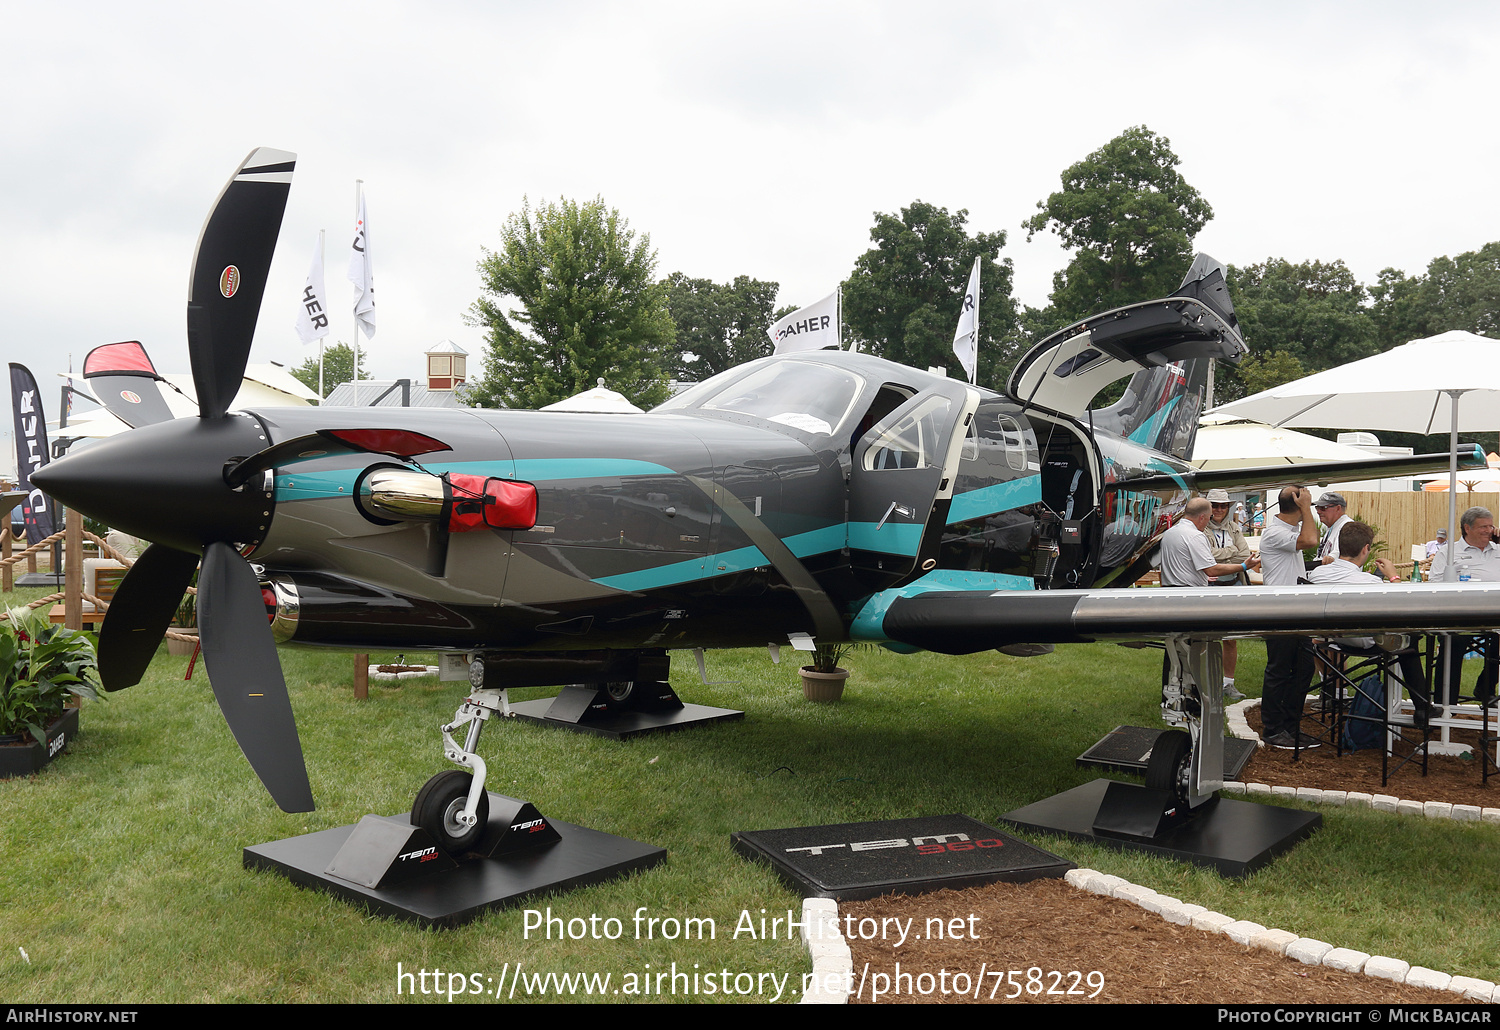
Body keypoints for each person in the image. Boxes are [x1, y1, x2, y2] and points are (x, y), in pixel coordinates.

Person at [1307, 520, 1433, 723]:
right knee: (1411, 638)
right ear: (1366, 549)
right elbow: (1402, 607)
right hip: (1363, 641)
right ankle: (1422, 706)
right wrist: (1393, 578)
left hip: (1328, 639)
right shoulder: (1371, 582)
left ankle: (1332, 691)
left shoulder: (1317, 574)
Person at [1158, 497, 1260, 698]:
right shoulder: (1195, 536)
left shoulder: (1170, 533)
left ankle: (1171, 692)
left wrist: (1201, 573)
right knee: (1193, 649)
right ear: (1203, 517)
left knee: (1175, 649)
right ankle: (1193, 695)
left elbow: (1184, 565)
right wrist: (1243, 567)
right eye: (1208, 518)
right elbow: (1212, 567)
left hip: (1172, 594)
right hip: (1189, 598)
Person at [1260, 485, 1322, 749]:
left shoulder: (1287, 532)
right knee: (1279, 670)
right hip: (1279, 610)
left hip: (1295, 609)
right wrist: (1306, 508)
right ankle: (1273, 730)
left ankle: (1289, 726)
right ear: (1297, 504)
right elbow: (1311, 541)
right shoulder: (1275, 533)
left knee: (1304, 667)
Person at [1428, 506, 1500, 703]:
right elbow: (1434, 584)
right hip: (1460, 615)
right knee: (1453, 643)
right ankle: (1445, 703)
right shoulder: (1449, 553)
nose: (1489, 530)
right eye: (1483, 526)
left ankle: (1485, 688)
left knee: (1499, 645)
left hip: (1495, 615)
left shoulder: (1498, 550)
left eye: (1490, 526)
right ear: (1467, 528)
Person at [1203, 489, 1252, 698]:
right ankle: (1204, 683)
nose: (1219, 509)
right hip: (1210, 588)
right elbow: (1207, 558)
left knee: (1231, 637)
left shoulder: (1234, 528)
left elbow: (1246, 555)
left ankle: (1228, 683)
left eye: (1223, 505)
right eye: (1215, 505)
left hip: (1233, 586)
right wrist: (1232, 555)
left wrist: (1226, 559)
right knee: (1205, 636)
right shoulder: (1201, 529)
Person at [1314, 491, 1352, 563]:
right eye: (1317, 508)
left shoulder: (1347, 527)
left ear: (1338, 508)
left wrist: (1331, 557)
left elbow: (1340, 553)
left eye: (1323, 508)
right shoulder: (1333, 527)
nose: (1318, 512)